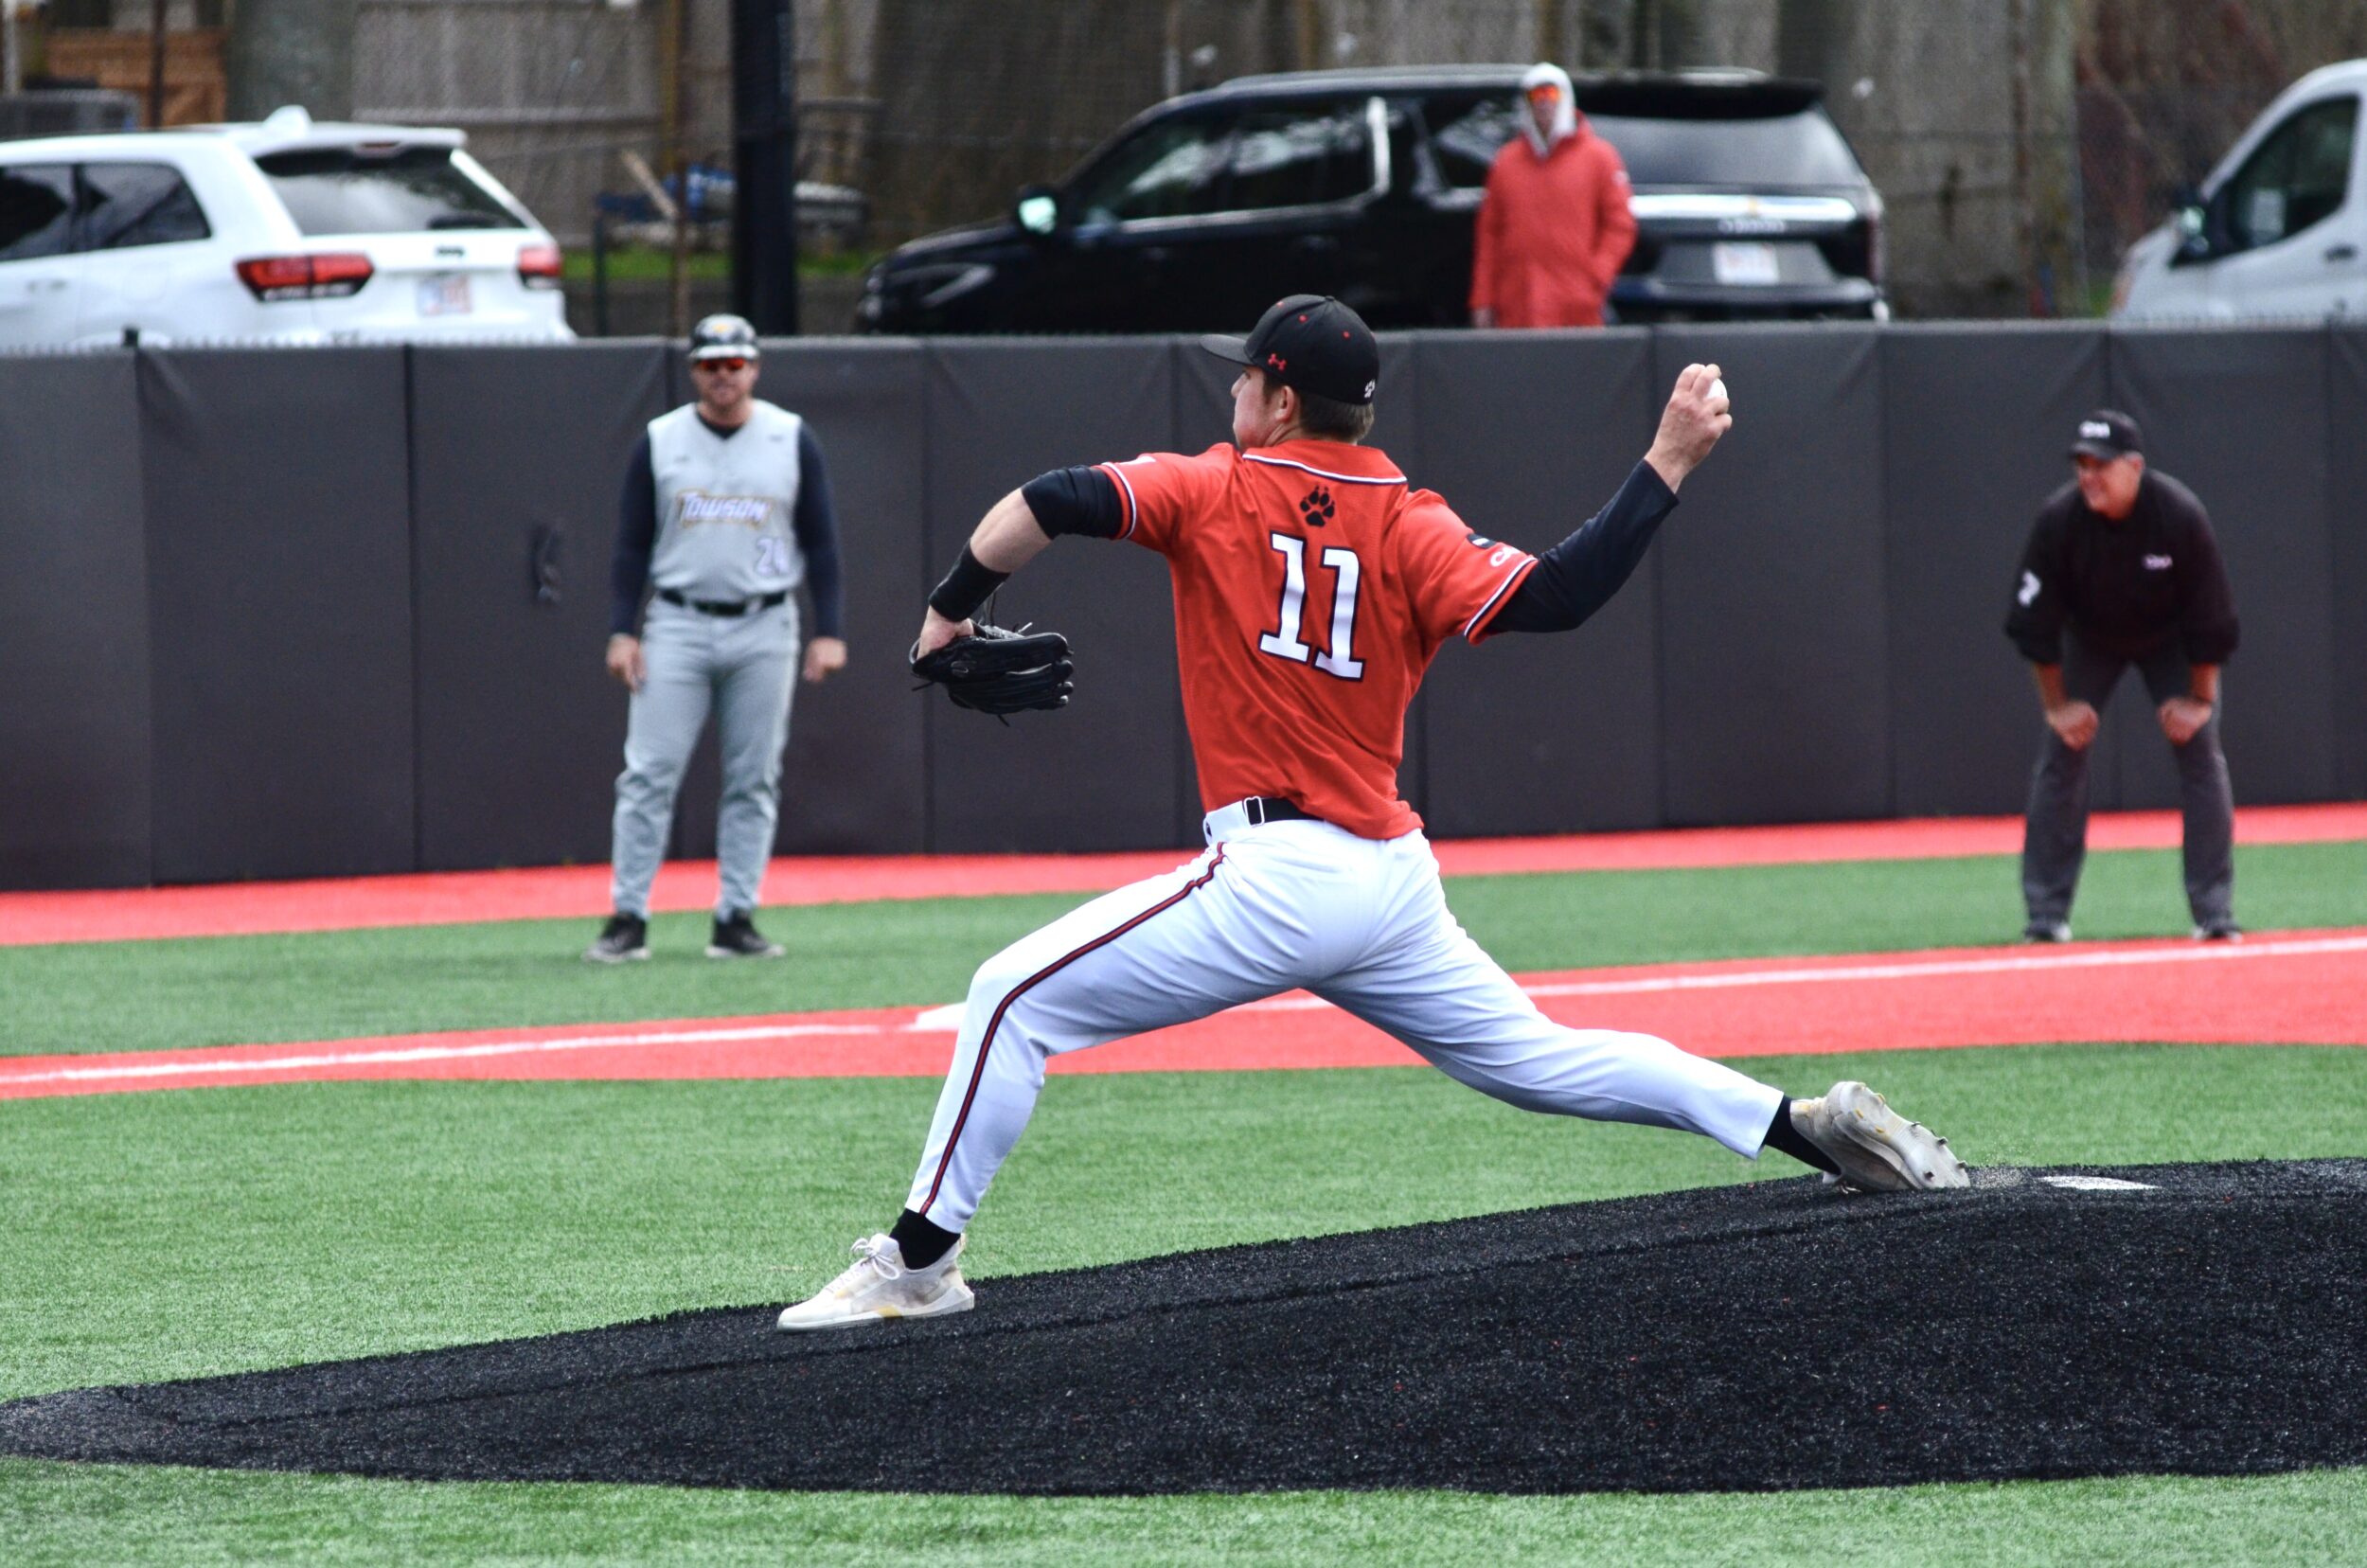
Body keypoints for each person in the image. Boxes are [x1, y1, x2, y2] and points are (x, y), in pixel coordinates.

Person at [775, 294, 1967, 1330]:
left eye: (1247, 374)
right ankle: (1807, 1129)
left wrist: (947, 615)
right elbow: (1555, 596)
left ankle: (919, 1266)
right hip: (1388, 880)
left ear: (1281, 399)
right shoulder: (1411, 518)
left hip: (1281, 874)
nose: (1235, 388)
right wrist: (1663, 465)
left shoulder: (1214, 486)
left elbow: (1047, 498)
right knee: (1540, 1058)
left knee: (1008, 999)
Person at [585, 314, 847, 963]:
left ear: (754, 367)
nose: (723, 376)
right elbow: (630, 543)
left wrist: (830, 630)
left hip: (766, 621)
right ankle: (628, 916)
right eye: (710, 364)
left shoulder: (789, 436)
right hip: (678, 619)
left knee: (753, 776)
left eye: (735, 364)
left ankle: (735, 916)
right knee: (648, 773)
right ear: (693, 369)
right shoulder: (662, 438)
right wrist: (623, 628)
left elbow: (821, 540)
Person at [2005, 409, 2241, 944]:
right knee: (2062, 756)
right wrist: (2057, 704)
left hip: (2170, 641)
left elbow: (2213, 619)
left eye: (2101, 465)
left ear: (2134, 466)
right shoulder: (2060, 520)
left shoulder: (2178, 515)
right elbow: (2033, 623)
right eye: (2082, 465)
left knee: (2201, 751)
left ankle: (2214, 913)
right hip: (2093, 639)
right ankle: (2046, 915)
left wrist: (2199, 700)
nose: (2089, 476)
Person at [1468, 62, 1637, 330]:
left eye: (1551, 94)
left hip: (1576, 307)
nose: (1544, 103)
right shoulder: (1506, 163)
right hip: (1517, 305)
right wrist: (1483, 300)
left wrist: (1596, 277)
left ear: (1565, 98)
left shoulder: (1599, 157)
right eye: (1535, 96)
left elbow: (1620, 225)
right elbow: (1489, 236)